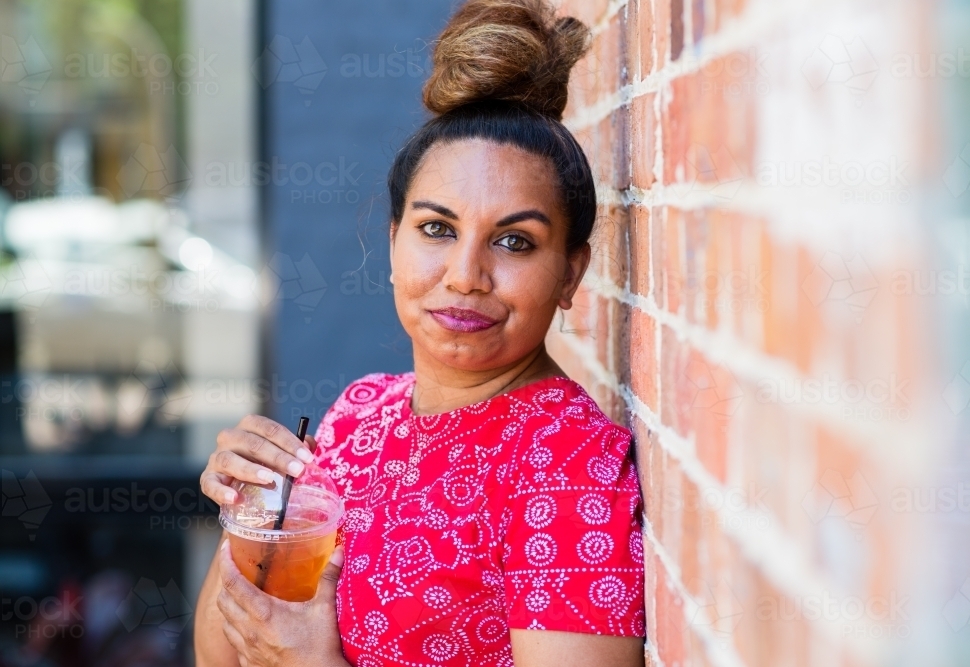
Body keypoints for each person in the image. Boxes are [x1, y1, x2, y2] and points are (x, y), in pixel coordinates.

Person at [193, 0, 646, 664]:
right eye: (437, 228)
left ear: (571, 273)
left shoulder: (567, 465)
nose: (466, 275)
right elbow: (221, 653)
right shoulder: (357, 413)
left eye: (515, 241)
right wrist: (250, 513)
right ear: (393, 242)